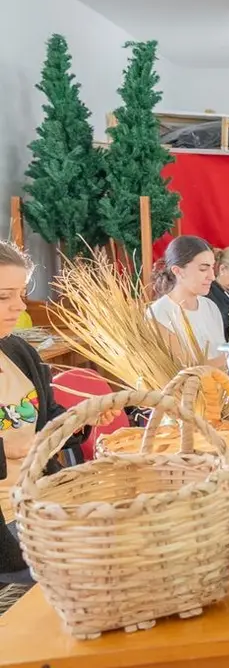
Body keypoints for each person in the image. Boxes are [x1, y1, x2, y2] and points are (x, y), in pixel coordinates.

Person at [0, 240, 119, 584]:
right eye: (3, 296)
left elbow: (48, 417)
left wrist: (79, 419)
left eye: (20, 294)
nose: (15, 307)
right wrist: (7, 450)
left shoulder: (19, 350)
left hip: (41, 502)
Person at [148, 236, 229, 363]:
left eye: (211, 267)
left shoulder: (209, 306)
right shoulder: (159, 314)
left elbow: (221, 356)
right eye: (203, 269)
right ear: (178, 271)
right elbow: (193, 370)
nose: (212, 277)